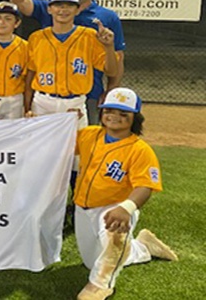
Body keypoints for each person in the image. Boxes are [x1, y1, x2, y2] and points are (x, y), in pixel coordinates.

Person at [74, 87, 178, 300]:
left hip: (116, 207)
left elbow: (145, 186)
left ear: (134, 119)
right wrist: (63, 122)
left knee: (115, 237)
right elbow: (55, 143)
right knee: (92, 260)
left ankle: (99, 286)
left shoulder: (140, 150)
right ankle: (143, 247)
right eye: (109, 110)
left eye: (124, 114)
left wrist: (127, 208)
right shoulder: (89, 135)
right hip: (82, 207)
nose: (114, 117)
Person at [10, 0, 125, 125]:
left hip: (86, 93)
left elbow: (116, 60)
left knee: (82, 147)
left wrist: (110, 91)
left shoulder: (104, 20)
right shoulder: (38, 34)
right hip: (44, 97)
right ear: (50, 8)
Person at [24, 0, 118, 129]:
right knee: (42, 149)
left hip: (75, 103)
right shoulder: (36, 38)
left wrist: (109, 46)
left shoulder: (89, 36)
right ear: (49, 9)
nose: (63, 10)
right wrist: (27, 107)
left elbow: (111, 71)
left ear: (78, 10)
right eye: (58, 5)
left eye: (69, 6)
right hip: (42, 103)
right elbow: (30, 75)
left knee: (76, 149)